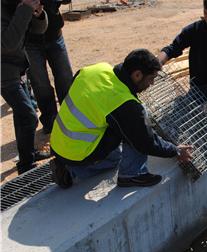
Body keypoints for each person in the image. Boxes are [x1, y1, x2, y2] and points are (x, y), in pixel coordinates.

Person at [49, 49, 193, 188]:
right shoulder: (123, 102)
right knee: (118, 153)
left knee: (123, 124)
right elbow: (145, 142)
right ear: (137, 75)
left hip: (58, 142)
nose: (152, 84)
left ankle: (66, 163)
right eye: (151, 79)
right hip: (76, 151)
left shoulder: (98, 69)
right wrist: (176, 150)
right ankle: (130, 174)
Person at [157, 0, 207, 122]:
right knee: (193, 121)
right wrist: (156, 64)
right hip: (200, 85)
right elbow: (173, 48)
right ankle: (197, 106)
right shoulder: (195, 29)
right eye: (205, 13)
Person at [1, 0, 51, 174]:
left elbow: (39, 30)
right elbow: (7, 44)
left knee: (22, 115)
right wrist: (25, 8)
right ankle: (26, 166)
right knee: (29, 116)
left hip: (17, 68)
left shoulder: (16, 6)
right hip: (4, 74)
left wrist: (38, 15)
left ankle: (26, 158)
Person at [25, 0, 73, 134]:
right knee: (41, 85)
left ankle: (71, 119)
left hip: (54, 35)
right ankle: (50, 122)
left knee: (65, 79)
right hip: (29, 41)